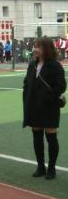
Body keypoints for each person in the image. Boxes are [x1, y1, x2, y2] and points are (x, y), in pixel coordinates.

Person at [23, 37, 66, 180]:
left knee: (51, 137)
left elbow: (61, 86)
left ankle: (51, 168)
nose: (35, 49)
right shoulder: (32, 65)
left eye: (39, 47)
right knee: (37, 137)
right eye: (35, 46)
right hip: (34, 106)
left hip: (49, 107)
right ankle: (40, 166)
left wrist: (48, 97)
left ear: (46, 49)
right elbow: (27, 82)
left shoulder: (55, 66)